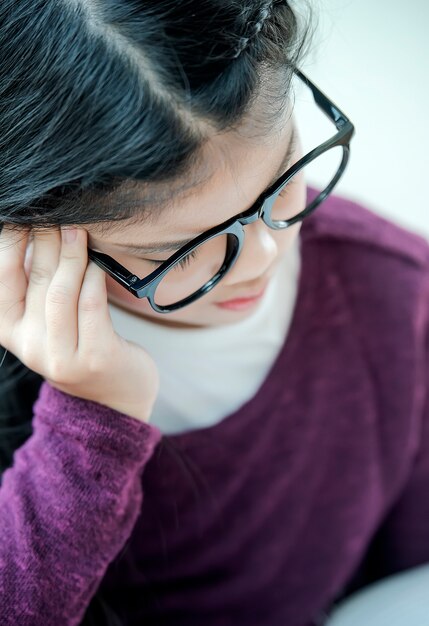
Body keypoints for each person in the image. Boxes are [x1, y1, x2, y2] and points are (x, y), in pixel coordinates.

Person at [0, 1, 428, 625]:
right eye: (181, 251)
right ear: (26, 235)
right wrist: (91, 422)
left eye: (283, 178)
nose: (261, 255)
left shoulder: (388, 287)